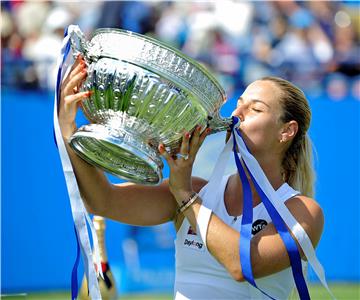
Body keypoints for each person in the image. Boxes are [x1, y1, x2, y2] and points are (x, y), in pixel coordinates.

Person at [59, 55, 324, 299]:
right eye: (239, 104)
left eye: (255, 109)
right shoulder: (197, 190)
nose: (236, 115)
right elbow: (103, 201)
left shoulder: (304, 212)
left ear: (286, 131)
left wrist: (185, 195)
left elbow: (242, 265)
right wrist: (69, 130)